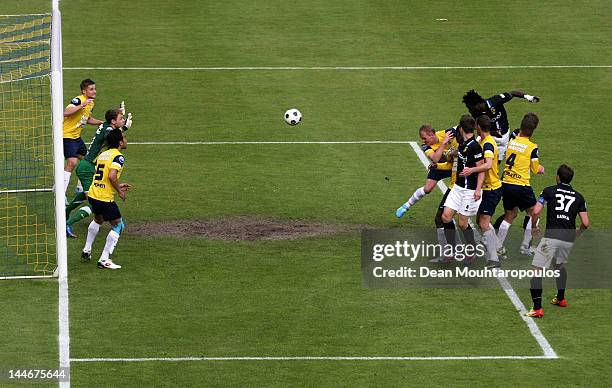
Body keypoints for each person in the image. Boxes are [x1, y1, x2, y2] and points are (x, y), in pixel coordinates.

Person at [526, 165, 589, 318]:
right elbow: (586, 223)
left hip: (551, 237)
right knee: (559, 265)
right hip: (567, 238)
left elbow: (536, 211)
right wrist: (577, 234)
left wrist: (534, 226)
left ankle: (537, 308)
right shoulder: (579, 197)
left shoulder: (549, 191)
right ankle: (561, 298)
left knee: (536, 270)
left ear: (558, 177)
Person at [66, 108, 133, 238]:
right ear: (113, 121)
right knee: (95, 202)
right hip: (87, 168)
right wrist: (124, 129)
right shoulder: (108, 130)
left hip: (90, 166)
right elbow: (113, 138)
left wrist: (121, 125)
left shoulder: (106, 126)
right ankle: (68, 224)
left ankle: (66, 212)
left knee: (90, 194)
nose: (123, 120)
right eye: (120, 119)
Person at [496, 113, 545, 257]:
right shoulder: (532, 147)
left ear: (521, 126)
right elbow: (535, 169)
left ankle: (498, 246)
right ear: (534, 129)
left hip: (506, 183)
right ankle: (525, 246)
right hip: (521, 185)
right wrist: (541, 168)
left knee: (510, 215)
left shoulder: (511, 140)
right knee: (534, 212)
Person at [81, 128, 131, 269]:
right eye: (125, 138)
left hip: (93, 194)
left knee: (98, 219)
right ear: (120, 142)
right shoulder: (118, 157)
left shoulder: (103, 154)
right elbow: (111, 175)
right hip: (104, 197)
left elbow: (102, 175)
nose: (126, 140)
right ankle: (104, 259)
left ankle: (86, 250)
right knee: (118, 225)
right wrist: (119, 190)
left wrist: (117, 185)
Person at [440, 115, 485, 263]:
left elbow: (481, 169)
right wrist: (449, 154)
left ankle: (471, 250)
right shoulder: (463, 144)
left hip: (470, 190)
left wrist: (478, 189)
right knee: (445, 217)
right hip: (458, 187)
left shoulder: (475, 147)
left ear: (460, 128)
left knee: (463, 223)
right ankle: (451, 251)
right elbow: (457, 153)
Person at [459, 115, 502, 267]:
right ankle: (498, 247)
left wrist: (472, 170)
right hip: (488, 188)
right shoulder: (483, 141)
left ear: (478, 126)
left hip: (491, 189)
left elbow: (488, 165)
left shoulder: (488, 144)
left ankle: (494, 259)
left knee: (483, 223)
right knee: (480, 221)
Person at [396, 124, 458, 217]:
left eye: (424, 138)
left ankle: (449, 214)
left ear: (432, 135)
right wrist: (444, 143)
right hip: (439, 166)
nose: (423, 141)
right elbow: (435, 159)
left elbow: (464, 125)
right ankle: (406, 205)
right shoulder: (426, 146)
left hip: (455, 166)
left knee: (456, 188)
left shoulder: (447, 133)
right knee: (427, 188)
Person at [462, 89, 539, 162]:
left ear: (477, 104)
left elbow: (512, 93)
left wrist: (527, 96)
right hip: (487, 136)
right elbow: (478, 130)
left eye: (470, 107)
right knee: (477, 158)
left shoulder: (494, 101)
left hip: (504, 138)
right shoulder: (476, 113)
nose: (470, 110)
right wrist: (493, 133)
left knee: (495, 163)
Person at [62, 79, 105, 196]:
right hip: (67, 135)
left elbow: (87, 119)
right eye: (91, 89)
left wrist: (102, 122)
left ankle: (80, 188)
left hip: (76, 137)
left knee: (88, 160)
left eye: (95, 89)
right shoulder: (78, 100)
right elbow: (65, 112)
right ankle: (61, 194)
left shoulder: (91, 103)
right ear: (84, 91)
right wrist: (81, 105)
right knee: (72, 162)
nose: (94, 91)